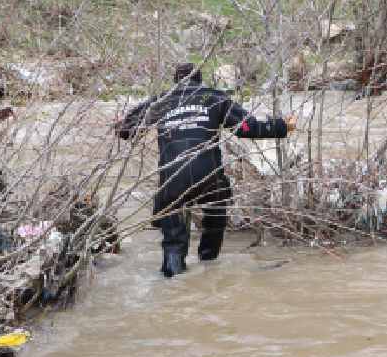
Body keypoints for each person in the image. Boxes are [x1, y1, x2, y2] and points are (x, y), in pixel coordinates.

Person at [114, 63, 294, 278]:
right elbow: (248, 128)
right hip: (207, 175)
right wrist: (283, 126)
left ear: (176, 81)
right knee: (217, 213)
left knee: (173, 240)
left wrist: (119, 124)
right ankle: (208, 265)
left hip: (173, 178)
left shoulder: (161, 101)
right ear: (200, 80)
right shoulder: (214, 97)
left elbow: (126, 130)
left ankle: (173, 279)